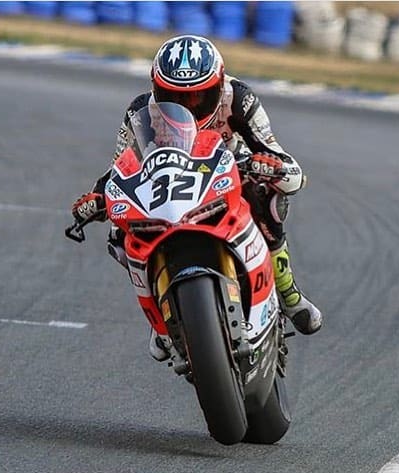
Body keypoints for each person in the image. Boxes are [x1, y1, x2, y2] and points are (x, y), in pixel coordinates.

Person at [71, 35, 323, 361]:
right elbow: (120, 168)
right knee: (119, 233)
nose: (187, 107)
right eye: (174, 97)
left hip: (227, 176)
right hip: (169, 185)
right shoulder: (140, 110)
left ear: (218, 86)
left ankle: (286, 291)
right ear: (156, 88)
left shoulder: (239, 98)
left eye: (197, 96)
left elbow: (282, 160)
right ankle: (162, 307)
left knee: (268, 196)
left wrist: (273, 167)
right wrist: (97, 198)